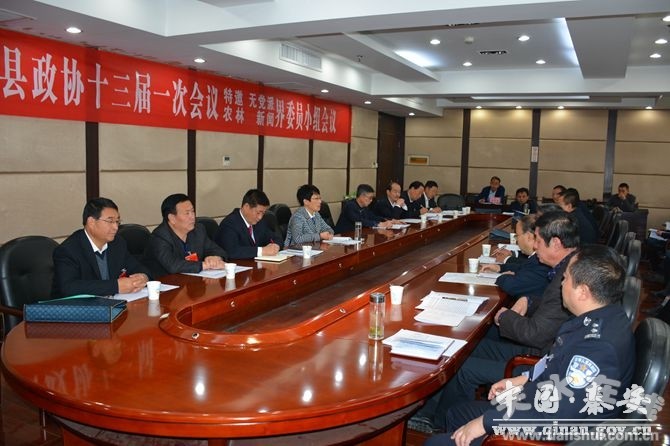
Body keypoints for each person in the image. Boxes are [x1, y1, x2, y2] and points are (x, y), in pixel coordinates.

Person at [425, 244, 634, 446]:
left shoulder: (597, 348)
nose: (561, 284)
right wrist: (525, 378)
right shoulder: (602, 316)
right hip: (540, 397)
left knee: (435, 442)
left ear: (583, 292)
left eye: (566, 279)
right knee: (457, 414)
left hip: (544, 429)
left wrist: (486, 423)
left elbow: (556, 418)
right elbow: (554, 361)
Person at [410, 211, 578, 433]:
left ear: (555, 243)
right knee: (462, 347)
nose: (535, 245)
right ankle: (431, 410)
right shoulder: (567, 266)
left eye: (538, 240)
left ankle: (442, 424)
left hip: (539, 358)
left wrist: (504, 316)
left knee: (463, 366)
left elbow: (535, 333)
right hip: (545, 350)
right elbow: (550, 304)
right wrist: (529, 300)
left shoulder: (571, 274)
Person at [52, 197, 150, 297]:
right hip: (78, 305)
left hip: (113, 302)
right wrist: (115, 286)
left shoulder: (117, 243)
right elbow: (68, 287)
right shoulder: (68, 250)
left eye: (117, 221)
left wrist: (143, 277)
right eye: (110, 221)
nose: (116, 227)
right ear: (91, 222)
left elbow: (136, 267)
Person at [145, 193, 227, 277]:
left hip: (192, 280)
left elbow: (216, 250)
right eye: (187, 213)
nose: (192, 217)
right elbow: (173, 265)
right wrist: (205, 265)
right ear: (172, 218)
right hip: (166, 281)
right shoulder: (159, 237)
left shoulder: (198, 229)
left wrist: (215, 258)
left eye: (192, 211)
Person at [480, 214, 550, 300]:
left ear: (529, 236)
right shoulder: (534, 258)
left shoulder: (542, 260)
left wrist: (503, 276)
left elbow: (512, 286)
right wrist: (499, 267)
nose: (516, 240)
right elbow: (522, 266)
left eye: (517, 236)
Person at [215, 189, 283, 259]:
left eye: (263, 213)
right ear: (246, 207)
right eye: (258, 213)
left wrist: (275, 246)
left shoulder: (260, 222)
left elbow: (276, 238)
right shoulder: (229, 223)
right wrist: (261, 251)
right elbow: (231, 251)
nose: (260, 217)